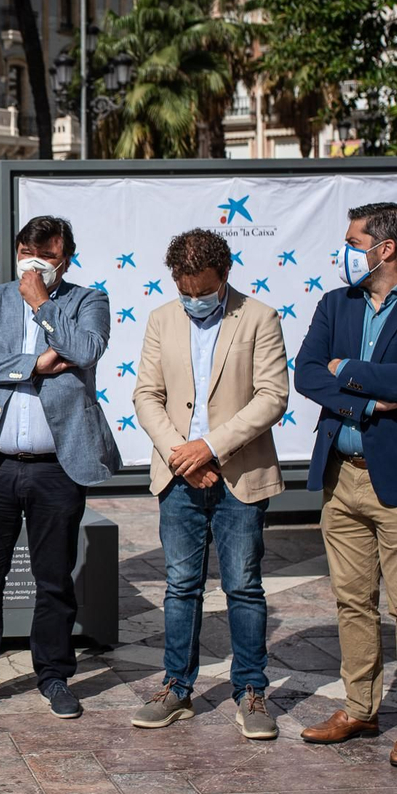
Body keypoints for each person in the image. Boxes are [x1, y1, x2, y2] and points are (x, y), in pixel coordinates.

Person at [293, 202, 397, 768]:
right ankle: (360, 708)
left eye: (352, 240)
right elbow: (306, 373)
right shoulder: (334, 303)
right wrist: (366, 398)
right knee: (352, 600)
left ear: (384, 248)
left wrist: (346, 368)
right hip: (340, 478)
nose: (343, 250)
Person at [0, 216, 122, 720]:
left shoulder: (88, 300)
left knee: (54, 578)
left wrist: (42, 303)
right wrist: (32, 365)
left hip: (56, 466)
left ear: (66, 256)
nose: (35, 260)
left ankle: (54, 675)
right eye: (28, 250)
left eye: (47, 252)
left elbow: (85, 350)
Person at [131, 228, 288, 739]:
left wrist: (211, 448)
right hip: (178, 476)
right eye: (186, 290)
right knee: (181, 586)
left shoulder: (260, 317)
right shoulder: (160, 320)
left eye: (203, 291)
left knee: (243, 587)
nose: (194, 300)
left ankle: (251, 691)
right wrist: (184, 457)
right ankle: (177, 688)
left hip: (239, 475)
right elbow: (146, 396)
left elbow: (272, 397)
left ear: (225, 276)